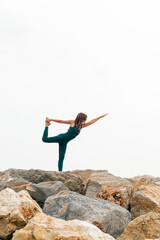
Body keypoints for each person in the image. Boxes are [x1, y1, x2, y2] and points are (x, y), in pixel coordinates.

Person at [42, 112, 108, 171]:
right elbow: (61, 121)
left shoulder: (82, 126)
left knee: (61, 157)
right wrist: (51, 120)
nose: (86, 120)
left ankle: (60, 173)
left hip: (64, 142)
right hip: (61, 137)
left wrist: (100, 117)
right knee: (44, 139)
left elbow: (92, 121)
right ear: (82, 118)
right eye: (85, 119)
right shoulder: (72, 122)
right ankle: (47, 125)